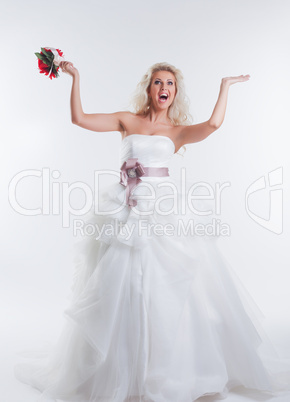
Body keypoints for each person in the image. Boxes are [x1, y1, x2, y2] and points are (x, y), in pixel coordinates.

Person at [14, 61, 290, 402]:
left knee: (172, 286)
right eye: (159, 82)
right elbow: (79, 119)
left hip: (164, 210)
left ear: (175, 92)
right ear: (149, 88)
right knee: (122, 284)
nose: (164, 88)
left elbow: (215, 124)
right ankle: (120, 365)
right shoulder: (126, 120)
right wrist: (75, 78)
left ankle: (171, 368)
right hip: (127, 207)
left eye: (171, 84)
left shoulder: (178, 131)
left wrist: (225, 86)